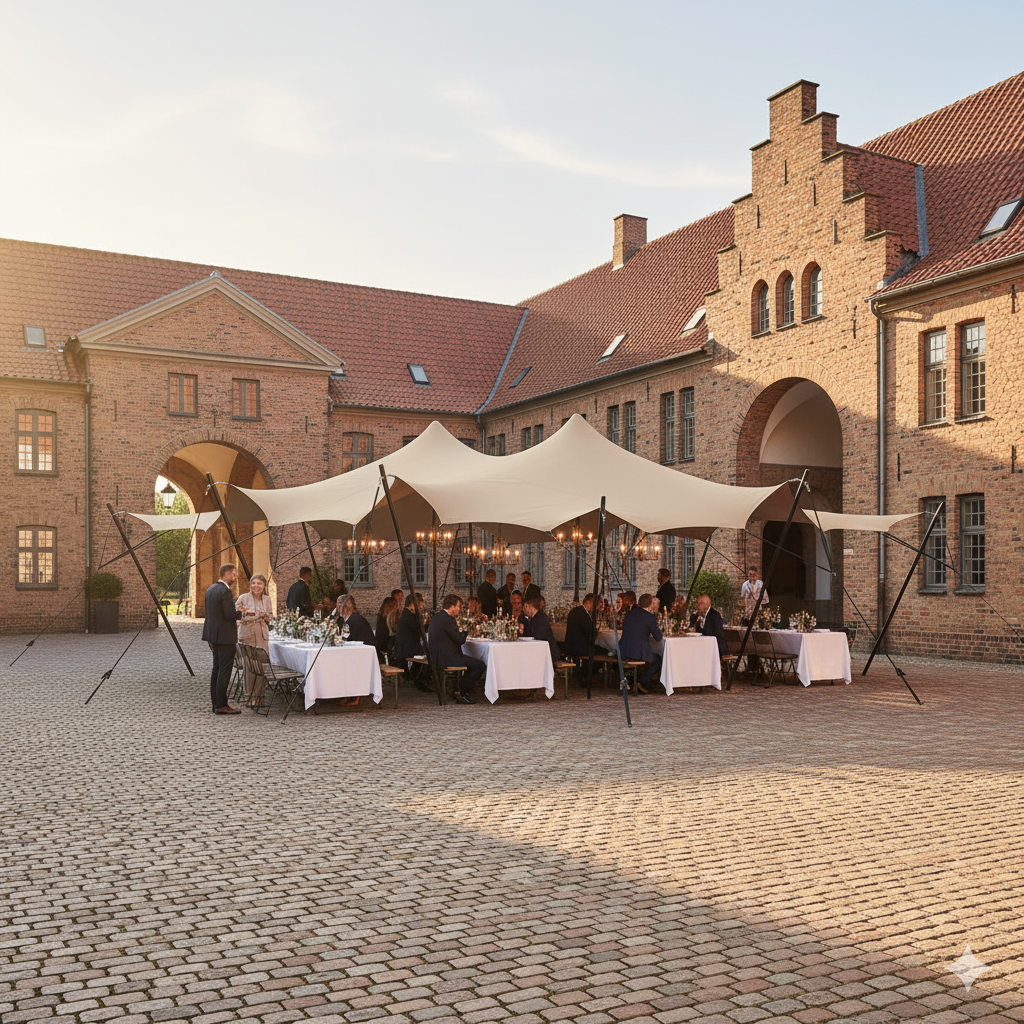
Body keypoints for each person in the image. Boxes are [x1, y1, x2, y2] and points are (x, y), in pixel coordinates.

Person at [202, 563, 244, 714]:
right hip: (225, 636)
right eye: (234, 573)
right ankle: (221, 705)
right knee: (224, 671)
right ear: (226, 574)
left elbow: (218, 612)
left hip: (213, 635)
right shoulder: (225, 591)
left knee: (217, 669)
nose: (236, 576)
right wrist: (242, 613)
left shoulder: (210, 589)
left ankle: (216, 703)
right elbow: (229, 615)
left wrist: (235, 610)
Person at [428, 594, 486, 704]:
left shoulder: (437, 616)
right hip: (447, 658)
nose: (459, 610)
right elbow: (459, 640)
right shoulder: (449, 620)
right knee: (480, 665)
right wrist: (465, 631)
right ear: (452, 607)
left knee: (471, 663)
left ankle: (458, 689)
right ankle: (462, 692)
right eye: (458, 607)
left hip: (436, 655)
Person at [236, 572, 273, 708]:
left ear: (264, 586)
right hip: (248, 634)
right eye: (253, 583)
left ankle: (259, 697)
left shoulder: (267, 599)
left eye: (259, 583)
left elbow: (270, 617)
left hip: (262, 634)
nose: (256, 586)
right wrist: (256, 615)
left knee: (261, 666)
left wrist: (265, 616)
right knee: (250, 666)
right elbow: (238, 615)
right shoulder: (243, 598)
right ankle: (249, 696)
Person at [620, 592, 663, 692]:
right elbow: (658, 637)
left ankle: (633, 681)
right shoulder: (650, 617)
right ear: (650, 604)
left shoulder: (629, 614)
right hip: (637, 652)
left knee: (650, 657)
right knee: (659, 660)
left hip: (623, 650)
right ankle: (643, 683)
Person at [394, 593, 428, 688]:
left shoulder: (408, 614)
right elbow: (419, 631)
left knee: (424, 652)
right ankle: (418, 680)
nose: (421, 607)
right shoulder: (408, 616)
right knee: (426, 655)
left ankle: (416, 679)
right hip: (407, 648)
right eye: (419, 605)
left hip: (406, 646)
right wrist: (422, 620)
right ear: (412, 605)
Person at [523, 595, 561, 665]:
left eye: (525, 607)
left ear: (529, 606)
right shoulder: (534, 619)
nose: (524, 610)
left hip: (548, 653)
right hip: (540, 652)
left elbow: (539, 637)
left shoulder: (541, 619)